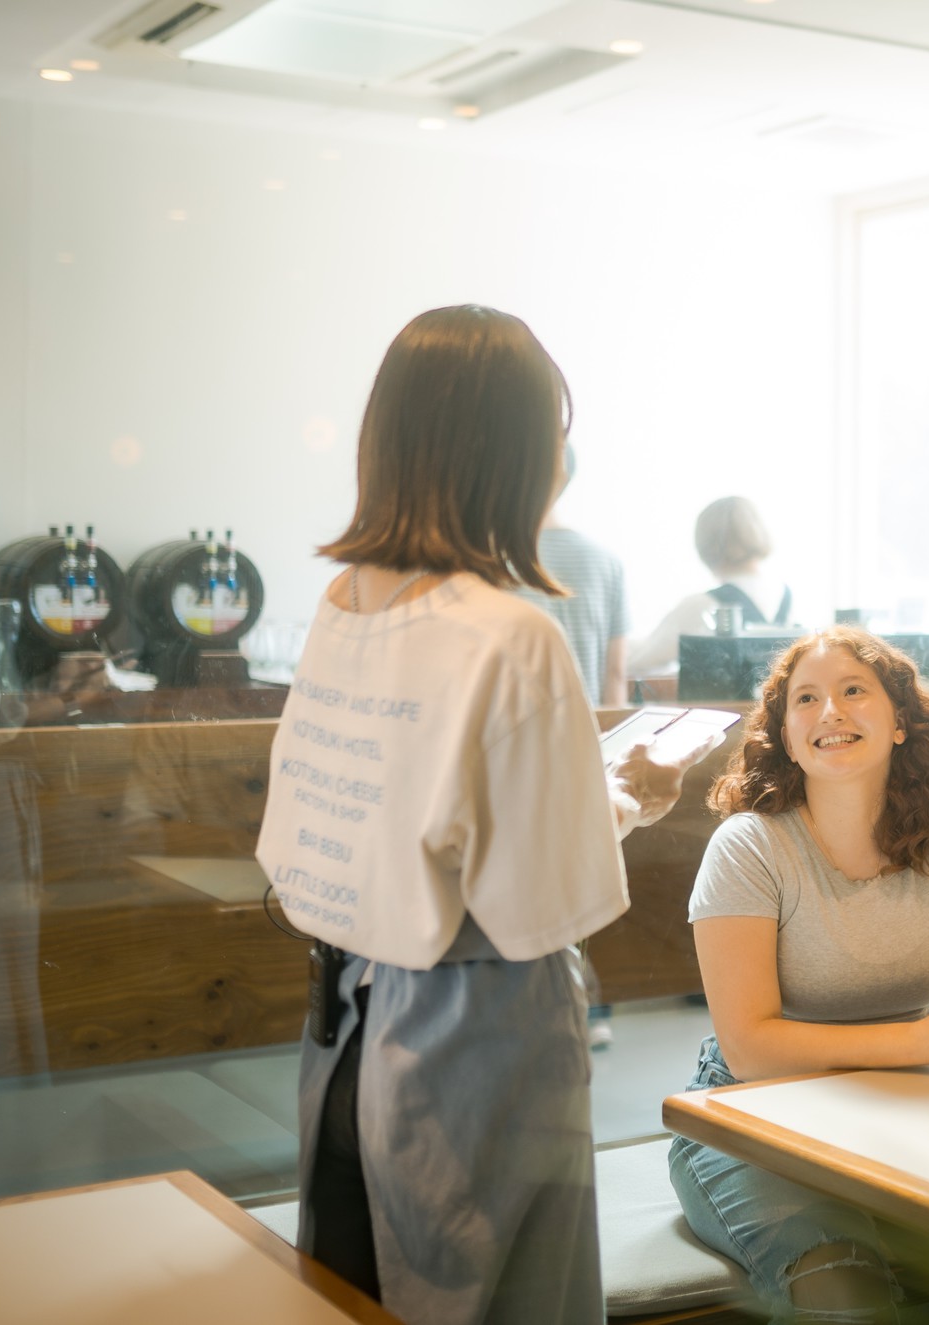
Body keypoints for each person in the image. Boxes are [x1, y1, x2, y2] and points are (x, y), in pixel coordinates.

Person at [254, 305, 694, 1325]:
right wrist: (625, 797)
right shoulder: (511, 634)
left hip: (346, 1023)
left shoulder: (343, 606)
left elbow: (376, 818)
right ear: (517, 450)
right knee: (500, 1299)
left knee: (359, 1282)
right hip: (474, 1036)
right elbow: (544, 899)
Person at [669, 626, 929, 1322]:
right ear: (788, 737)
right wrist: (922, 1041)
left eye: (853, 689)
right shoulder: (749, 846)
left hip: (904, 1112)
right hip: (753, 1123)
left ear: (899, 722)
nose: (830, 710)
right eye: (806, 698)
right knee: (843, 1291)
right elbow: (750, 1046)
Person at [626, 495, 795, 677]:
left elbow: (640, 660)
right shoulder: (787, 597)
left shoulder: (702, 605)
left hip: (722, 705)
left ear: (706, 545)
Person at [519, 442, 630, 706]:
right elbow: (615, 674)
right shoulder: (607, 563)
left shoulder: (491, 561)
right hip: (588, 730)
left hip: (520, 732)